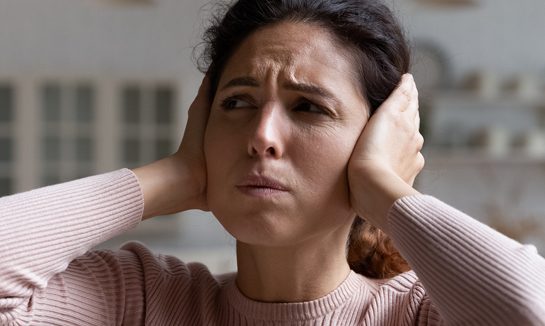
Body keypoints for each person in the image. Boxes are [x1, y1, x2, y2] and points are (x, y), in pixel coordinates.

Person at [1, 0, 544, 324]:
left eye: (308, 107)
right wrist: (177, 176)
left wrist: (383, 191)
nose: (261, 136)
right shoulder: (140, 301)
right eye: (236, 103)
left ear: (376, 140)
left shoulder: (422, 314)